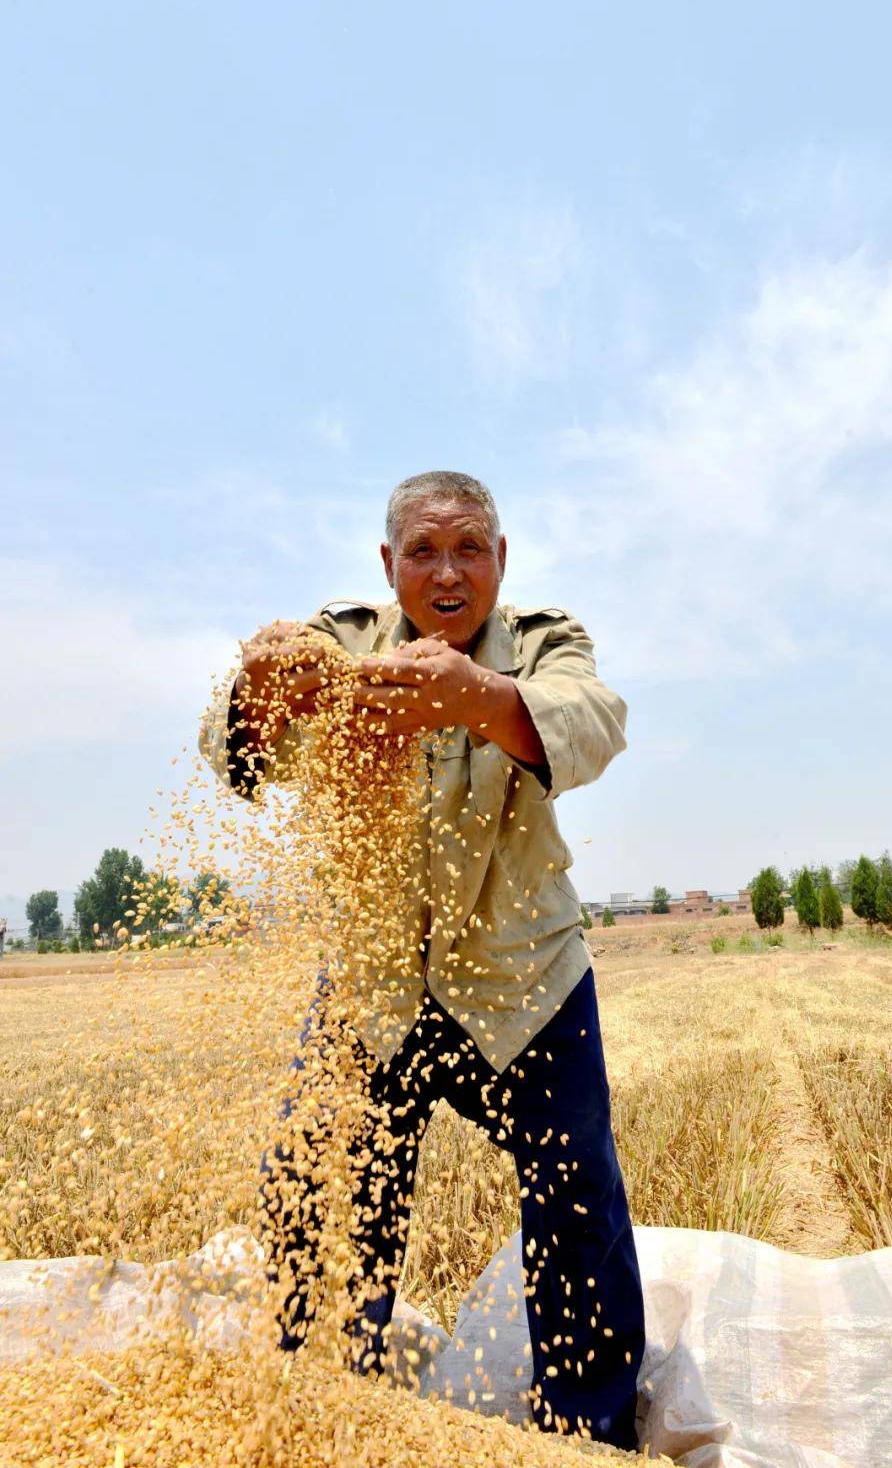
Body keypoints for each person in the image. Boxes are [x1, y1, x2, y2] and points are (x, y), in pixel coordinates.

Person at [199, 469, 645, 1449]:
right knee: (317, 1185)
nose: (448, 572)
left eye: (469, 548)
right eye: (424, 551)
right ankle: (320, 1401)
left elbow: (594, 720)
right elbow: (235, 749)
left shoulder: (540, 643)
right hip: (376, 979)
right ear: (388, 563)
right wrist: (259, 691)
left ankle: (586, 1428)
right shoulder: (340, 642)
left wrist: (475, 697)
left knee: (577, 1193)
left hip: (524, 975)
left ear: (501, 558)